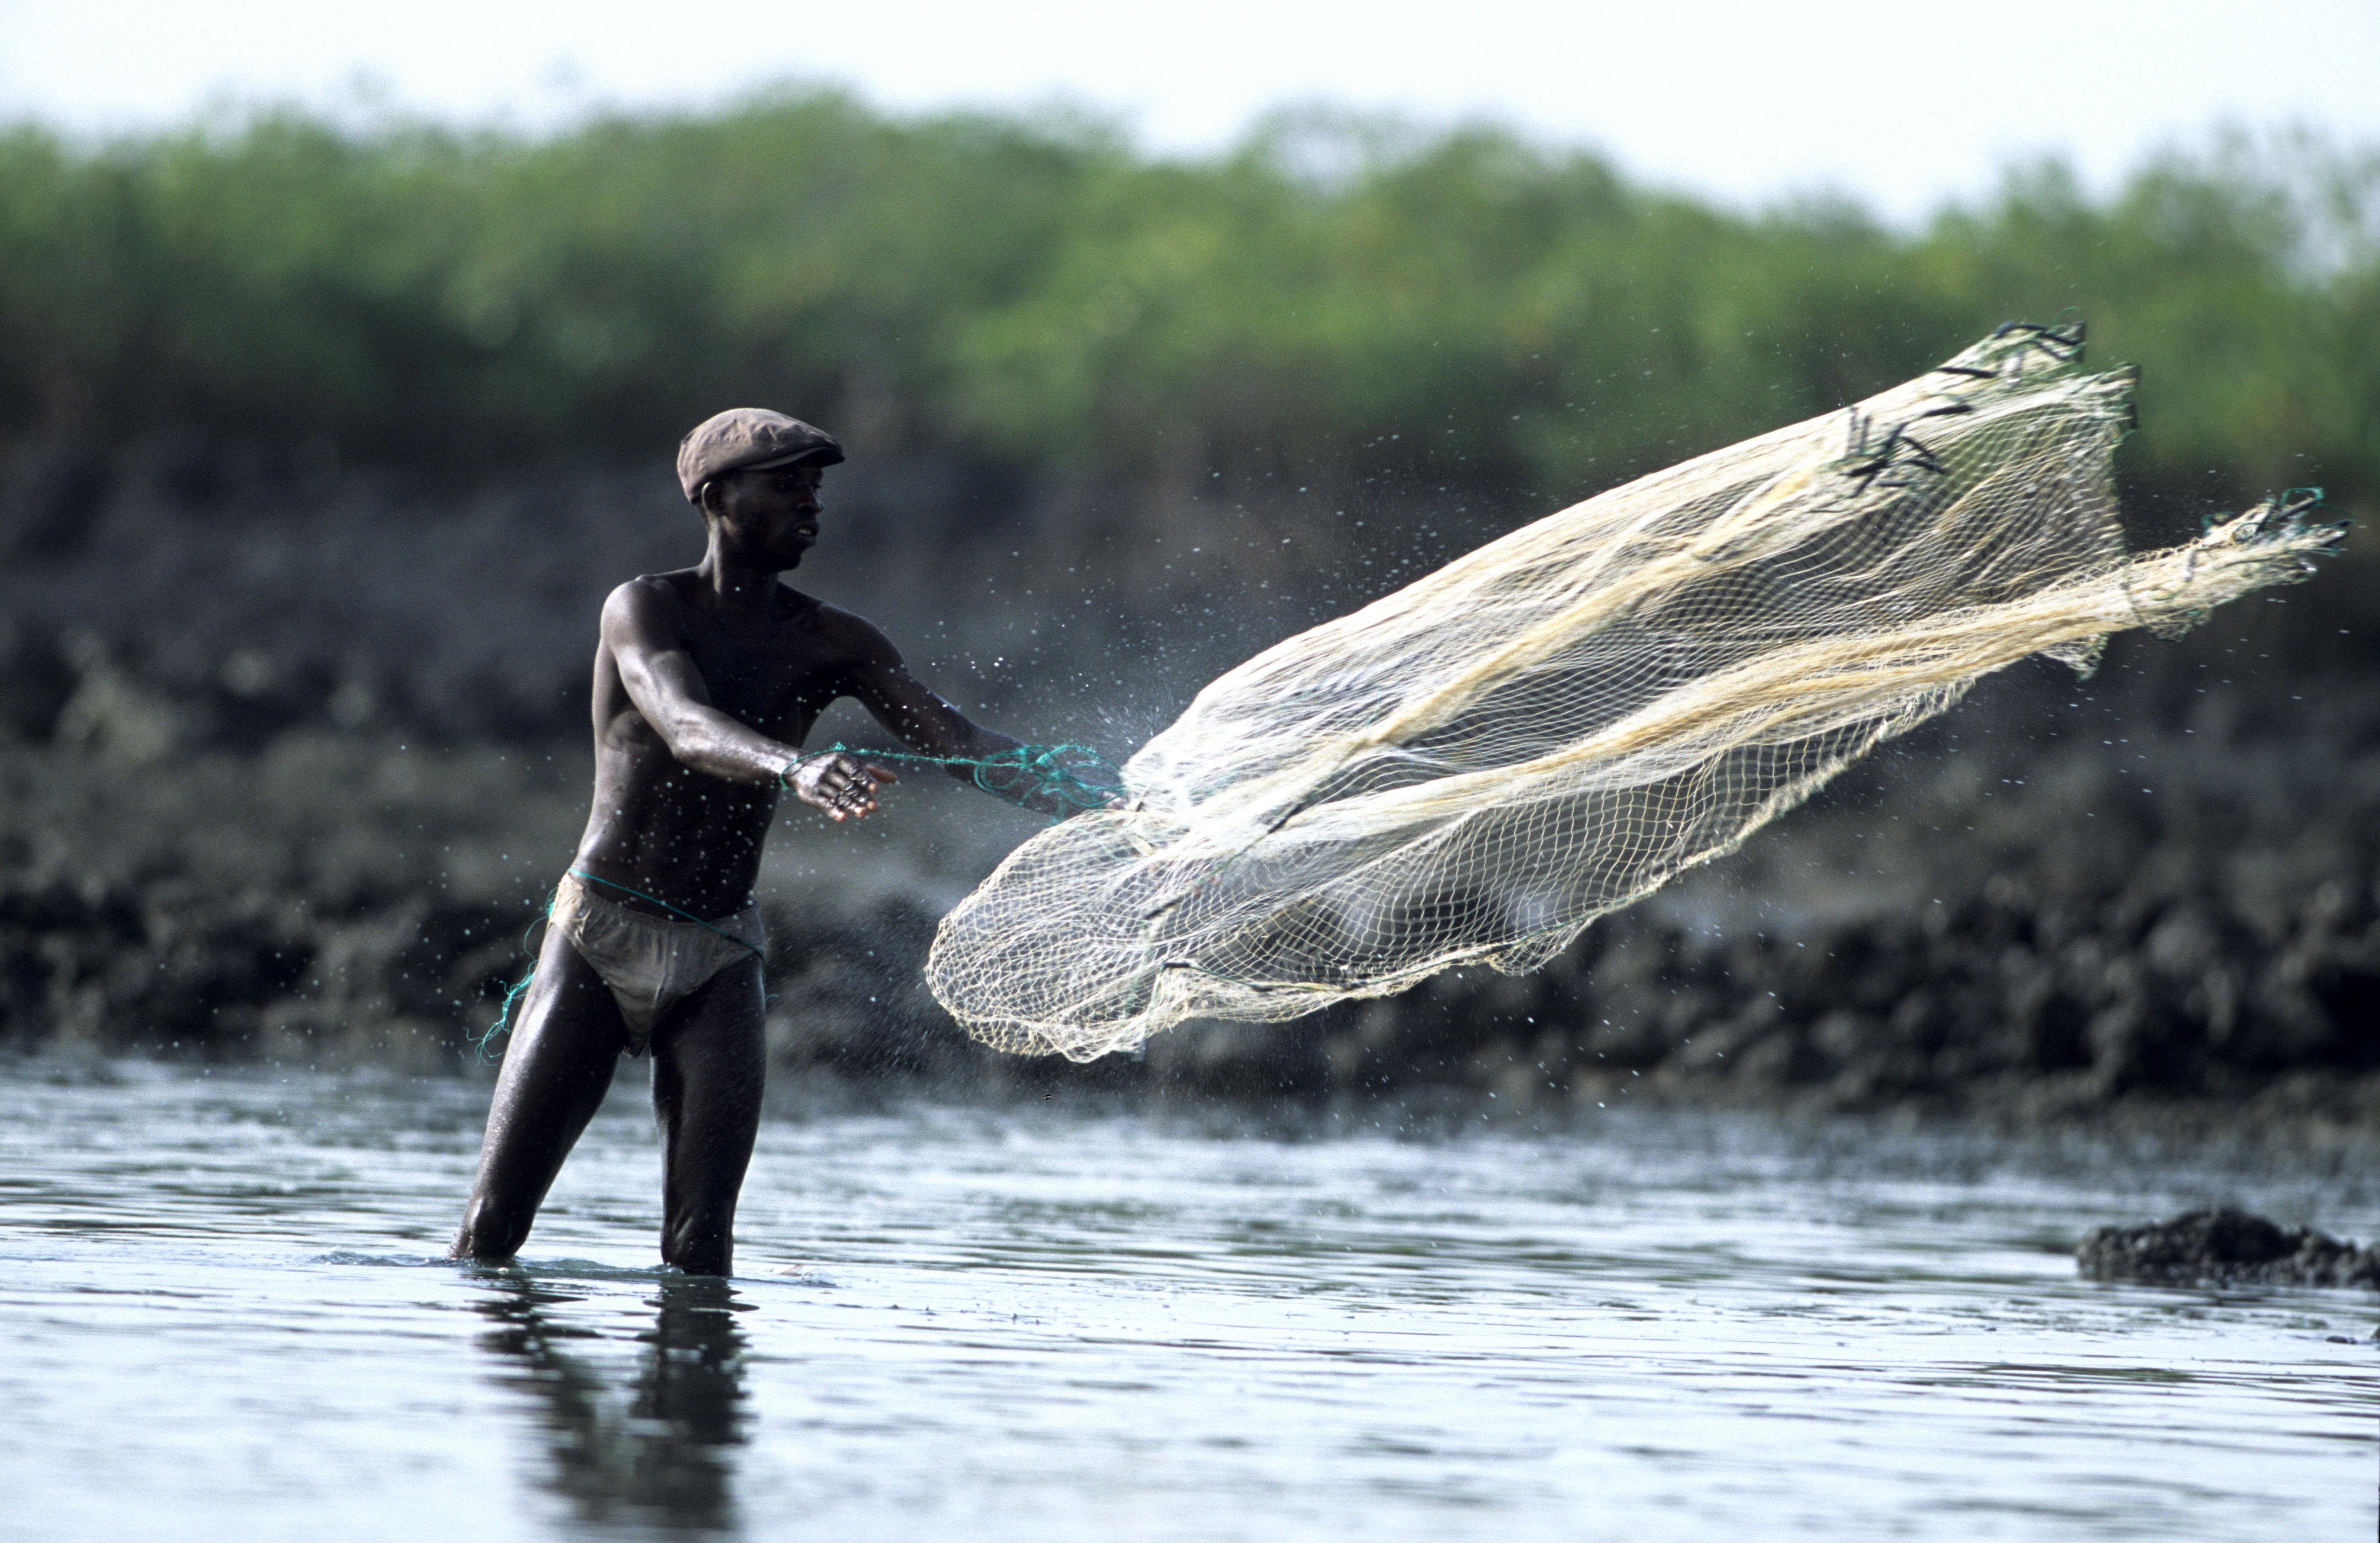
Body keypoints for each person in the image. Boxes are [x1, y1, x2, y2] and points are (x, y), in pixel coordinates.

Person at [452, 408, 1082, 1276]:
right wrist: (794, 766)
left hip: (719, 952)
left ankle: (693, 1414)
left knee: (702, 1249)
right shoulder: (645, 609)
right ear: (715, 497)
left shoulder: (834, 642)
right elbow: (682, 723)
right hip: (601, 933)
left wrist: (1105, 803)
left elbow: (959, 742)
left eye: (815, 485)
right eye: (786, 484)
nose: (810, 503)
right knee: (493, 1228)